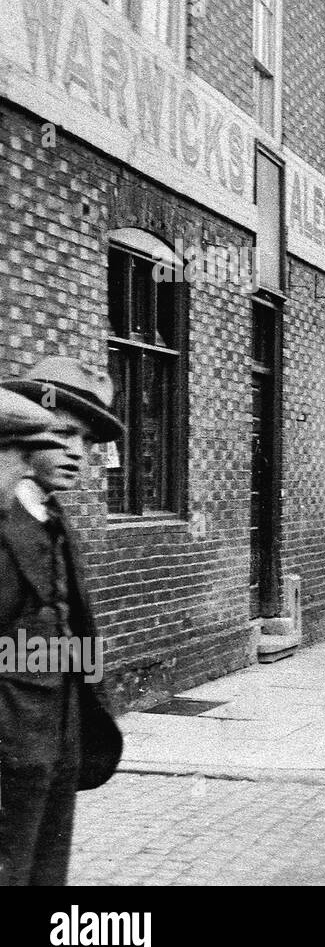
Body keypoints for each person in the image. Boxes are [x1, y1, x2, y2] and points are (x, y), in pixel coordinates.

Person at [0, 357, 125, 886]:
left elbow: (70, 636)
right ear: (23, 440)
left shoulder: (53, 517)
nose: (78, 453)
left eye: (89, 442)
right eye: (65, 435)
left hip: (56, 741)